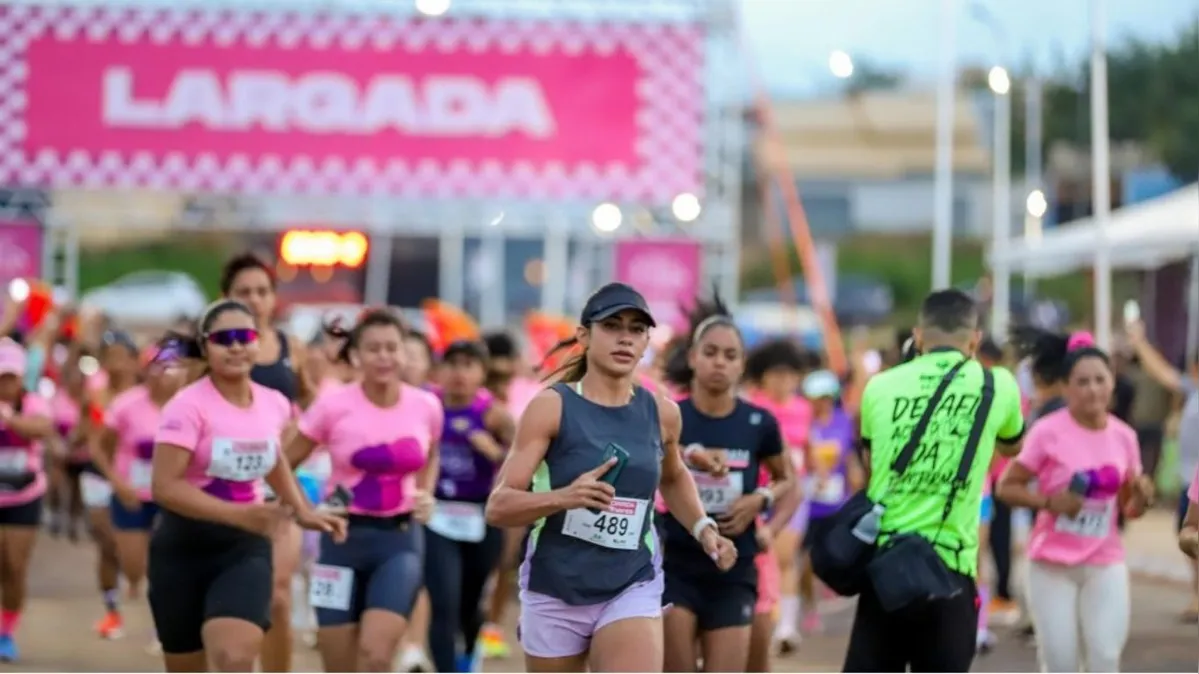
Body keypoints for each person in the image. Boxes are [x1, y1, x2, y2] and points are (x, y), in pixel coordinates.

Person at [485, 283, 737, 673]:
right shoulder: (550, 408)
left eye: (637, 329)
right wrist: (565, 497)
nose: (625, 338)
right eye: (612, 325)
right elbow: (499, 507)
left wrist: (704, 528)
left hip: (630, 582)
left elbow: (673, 477)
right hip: (555, 587)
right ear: (584, 335)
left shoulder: (662, 413)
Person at [147, 299, 346, 673]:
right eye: (224, 339)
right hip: (182, 549)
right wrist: (242, 514)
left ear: (258, 342)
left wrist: (303, 511)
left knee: (235, 657)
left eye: (245, 336)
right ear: (206, 348)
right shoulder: (186, 406)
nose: (236, 346)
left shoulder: (274, 404)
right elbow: (164, 487)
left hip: (244, 548)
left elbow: (273, 459)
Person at [843, 289, 1025, 672]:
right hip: (952, 570)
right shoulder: (999, 386)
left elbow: (871, 460)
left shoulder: (880, 386)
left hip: (887, 566)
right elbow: (1012, 446)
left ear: (919, 336)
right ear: (974, 339)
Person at [283, 309, 442, 672]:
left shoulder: (426, 406)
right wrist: (304, 511)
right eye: (373, 349)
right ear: (355, 355)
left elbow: (431, 452)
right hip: (339, 539)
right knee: (338, 662)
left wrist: (426, 493)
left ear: (405, 352)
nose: (384, 357)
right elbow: (283, 463)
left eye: (392, 347)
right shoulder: (332, 405)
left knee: (375, 654)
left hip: (399, 541)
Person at [996, 330, 1154, 672]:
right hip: (1051, 565)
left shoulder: (1125, 437)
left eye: (1100, 379)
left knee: (1105, 657)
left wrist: (1141, 495)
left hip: (1104, 563)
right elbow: (1007, 487)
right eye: (1082, 382)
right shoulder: (1046, 432)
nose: (1093, 389)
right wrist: (1051, 503)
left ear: (1113, 383)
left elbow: (1130, 508)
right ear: (1066, 387)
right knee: (1061, 661)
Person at [659, 300, 797, 673]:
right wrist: (690, 455)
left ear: (741, 364)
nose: (720, 362)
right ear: (692, 358)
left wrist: (763, 503)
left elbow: (790, 481)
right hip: (676, 563)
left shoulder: (759, 422)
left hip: (734, 567)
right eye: (711, 353)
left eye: (730, 355)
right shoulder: (673, 416)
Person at [220, 252, 311, 672]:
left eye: (262, 291)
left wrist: (296, 432)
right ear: (226, 298)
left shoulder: (292, 347)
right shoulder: (211, 351)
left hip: (278, 482)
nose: (254, 300)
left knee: (276, 591)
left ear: (274, 298)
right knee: (227, 594)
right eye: (244, 292)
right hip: (222, 486)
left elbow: (310, 400)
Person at [424, 340, 514, 673]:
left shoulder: (493, 414)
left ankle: (470, 652)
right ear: (440, 370)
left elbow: (529, 462)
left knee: (470, 601)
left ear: (481, 373)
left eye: (468, 365)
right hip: (437, 515)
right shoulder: (427, 406)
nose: (459, 373)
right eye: (453, 364)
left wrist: (496, 453)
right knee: (443, 601)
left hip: (481, 516)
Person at [89, 343, 184, 648]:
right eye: (156, 367)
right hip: (132, 495)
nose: (162, 374)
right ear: (145, 370)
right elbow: (98, 447)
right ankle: (130, 590)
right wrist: (118, 482)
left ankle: (164, 627)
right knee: (134, 566)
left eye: (169, 367)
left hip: (170, 498)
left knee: (167, 565)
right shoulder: (126, 405)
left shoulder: (186, 406)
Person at [1124, 320, 1199, 622]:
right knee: (1188, 537)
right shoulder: (1192, 391)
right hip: (1190, 480)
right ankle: (1196, 595)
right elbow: (1160, 371)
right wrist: (1139, 341)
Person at [742, 339, 811, 651]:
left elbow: (809, 446)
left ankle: (785, 628)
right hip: (756, 493)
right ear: (763, 376)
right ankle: (759, 620)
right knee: (759, 559)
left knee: (784, 557)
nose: (784, 382)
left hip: (793, 493)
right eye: (777, 375)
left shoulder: (803, 408)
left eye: (789, 375)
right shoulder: (752, 405)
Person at [478, 330, 540, 661]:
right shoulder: (471, 400)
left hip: (512, 493)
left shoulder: (527, 397)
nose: (500, 381)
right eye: (494, 375)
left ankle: (490, 627)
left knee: (504, 563)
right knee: (479, 566)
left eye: (506, 374)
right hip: (470, 498)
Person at [796, 369, 862, 635]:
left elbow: (849, 455)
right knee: (805, 559)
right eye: (815, 397)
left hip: (837, 503)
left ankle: (829, 587)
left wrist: (855, 477)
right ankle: (810, 608)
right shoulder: (802, 423)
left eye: (825, 397)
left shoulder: (843, 421)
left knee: (834, 555)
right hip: (807, 504)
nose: (820, 402)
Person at [86, 329, 142, 640]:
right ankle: (111, 611)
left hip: (137, 482)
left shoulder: (148, 392)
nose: (116, 363)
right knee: (107, 544)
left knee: (137, 549)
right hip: (99, 474)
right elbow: (89, 431)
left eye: (122, 356)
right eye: (111, 357)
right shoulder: (96, 390)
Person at [0, 338, 53, 662]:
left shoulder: (33, 403)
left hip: (24, 495)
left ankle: (6, 633)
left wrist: (9, 418)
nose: (5, 383)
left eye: (11, 376)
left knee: (14, 567)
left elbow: (42, 429)